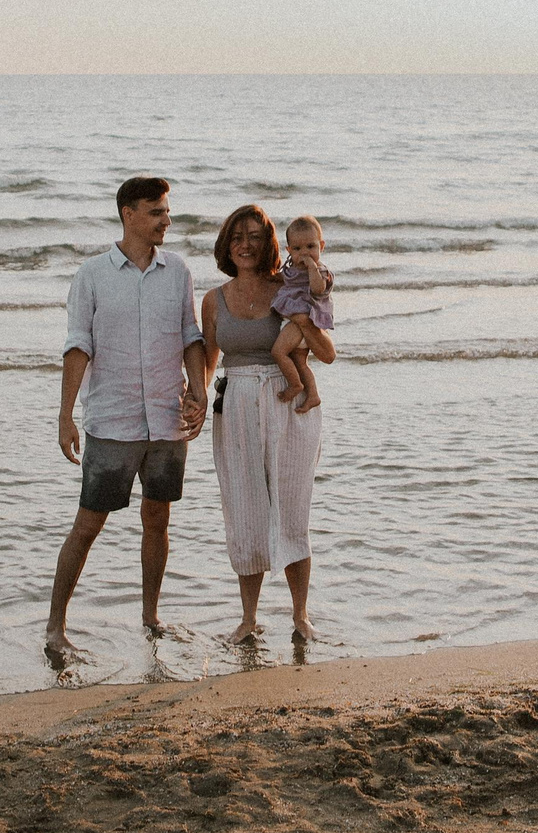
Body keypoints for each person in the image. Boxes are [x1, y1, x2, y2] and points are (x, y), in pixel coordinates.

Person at [46, 176, 209, 660]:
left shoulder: (177, 270)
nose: (166, 220)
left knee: (158, 520)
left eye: (167, 211)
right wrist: (65, 415)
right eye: (156, 211)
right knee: (87, 525)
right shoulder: (92, 274)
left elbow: (190, 337)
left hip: (166, 421)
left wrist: (198, 391)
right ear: (128, 214)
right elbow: (78, 346)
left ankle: (151, 616)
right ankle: (56, 627)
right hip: (111, 422)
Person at [200, 204, 335, 645]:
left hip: (289, 401)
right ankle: (249, 618)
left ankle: (300, 616)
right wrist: (195, 395)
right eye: (236, 235)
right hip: (234, 404)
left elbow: (326, 352)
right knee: (245, 510)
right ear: (226, 243)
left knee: (293, 507)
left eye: (255, 236)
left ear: (269, 244)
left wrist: (300, 320)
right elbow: (209, 360)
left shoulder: (289, 287)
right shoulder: (213, 300)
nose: (244, 244)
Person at [270, 215, 334, 407]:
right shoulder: (292, 268)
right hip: (295, 320)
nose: (304, 253)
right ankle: (313, 394)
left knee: (278, 352)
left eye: (311, 247)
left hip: (304, 320)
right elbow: (282, 279)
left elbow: (317, 289)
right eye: (297, 249)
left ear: (321, 246)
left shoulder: (320, 271)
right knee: (299, 360)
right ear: (288, 250)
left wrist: (312, 268)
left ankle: (296, 384)